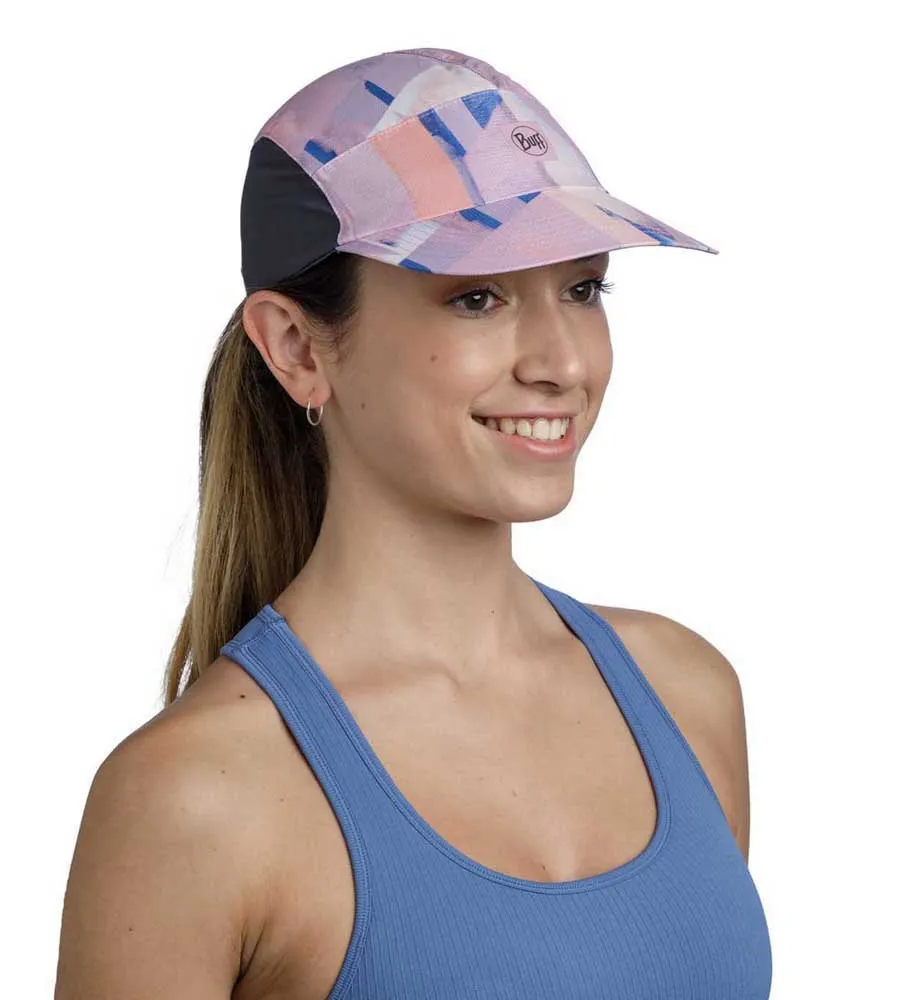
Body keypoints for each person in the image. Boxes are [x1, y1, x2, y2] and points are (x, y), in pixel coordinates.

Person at [55, 47, 772, 1000]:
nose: (563, 361)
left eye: (583, 289)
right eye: (477, 297)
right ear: (297, 348)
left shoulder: (685, 694)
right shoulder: (198, 797)